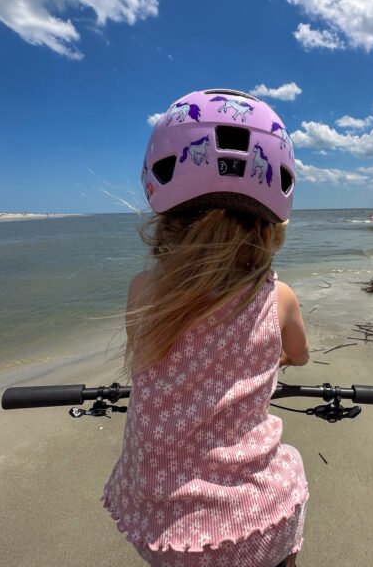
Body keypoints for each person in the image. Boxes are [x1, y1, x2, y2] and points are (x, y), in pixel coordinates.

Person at [102, 89, 310, 567]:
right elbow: (298, 355)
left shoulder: (143, 291)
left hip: (163, 529)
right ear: (270, 224)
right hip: (258, 522)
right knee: (288, 472)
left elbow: (154, 360)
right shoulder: (279, 298)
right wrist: (275, 356)